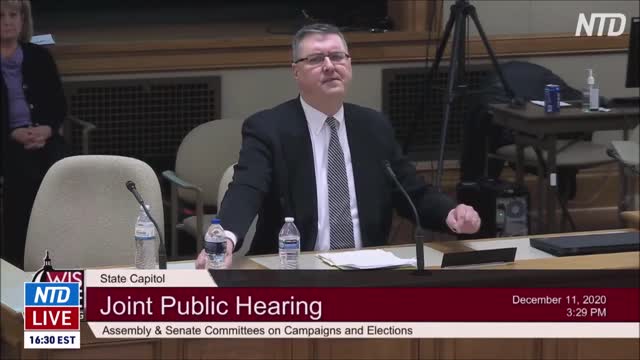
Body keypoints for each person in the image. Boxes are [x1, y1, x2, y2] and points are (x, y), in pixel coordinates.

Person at [197, 23, 481, 268]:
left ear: (349, 64)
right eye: (316, 59)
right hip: (295, 270)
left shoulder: (373, 127)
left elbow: (413, 193)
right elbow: (247, 188)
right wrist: (226, 238)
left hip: (368, 270)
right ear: (296, 71)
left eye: (337, 56)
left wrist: (450, 214)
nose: (330, 66)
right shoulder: (269, 128)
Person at [1, 0, 68, 269]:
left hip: (44, 138)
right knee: (25, 178)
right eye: (1, 15)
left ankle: (61, 254)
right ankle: (19, 261)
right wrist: (12, 133)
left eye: (13, 14)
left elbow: (58, 105)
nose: (7, 20)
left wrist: (47, 129)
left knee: (63, 171)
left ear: (23, 20)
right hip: (6, 143)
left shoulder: (39, 57)